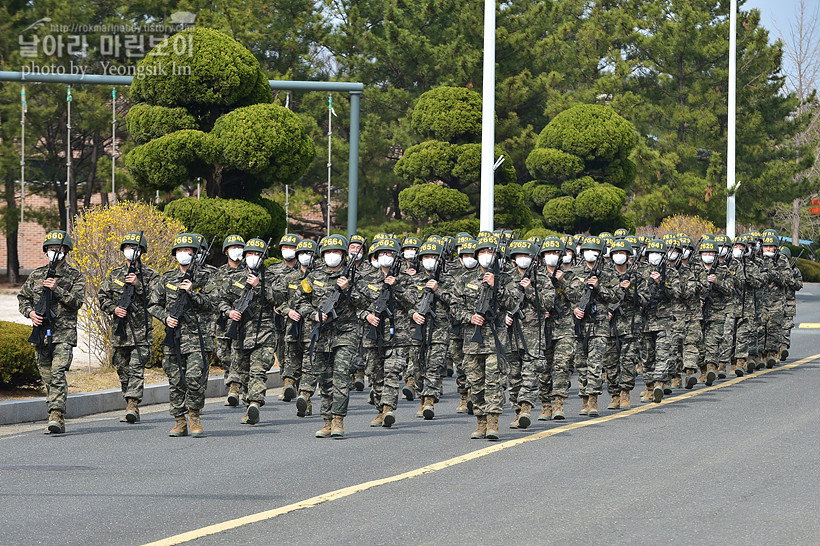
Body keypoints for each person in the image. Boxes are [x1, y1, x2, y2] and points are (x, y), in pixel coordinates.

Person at [292, 235, 368, 438]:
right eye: (327, 252)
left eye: (335, 252)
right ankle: (326, 421)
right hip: (321, 334)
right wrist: (313, 314)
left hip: (346, 333)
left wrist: (347, 289)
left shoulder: (354, 277)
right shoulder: (312, 276)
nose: (331, 255)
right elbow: (299, 300)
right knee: (325, 381)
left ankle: (338, 421)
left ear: (343, 254)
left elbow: (365, 302)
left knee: (341, 377)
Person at [447, 235, 522, 441]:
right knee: (476, 384)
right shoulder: (464, 280)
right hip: (472, 341)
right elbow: (453, 308)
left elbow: (514, 304)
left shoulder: (505, 279)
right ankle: (480, 421)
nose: (486, 256)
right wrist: (469, 317)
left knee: (494, 383)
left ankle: (493, 422)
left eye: (490, 252)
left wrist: (497, 286)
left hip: (496, 341)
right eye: (482, 252)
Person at [18, 230, 85, 434]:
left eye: (60, 249)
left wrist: (58, 289)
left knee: (57, 373)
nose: (55, 252)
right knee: (46, 375)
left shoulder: (75, 276)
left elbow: (77, 302)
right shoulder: (36, 275)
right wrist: (30, 313)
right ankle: (55, 408)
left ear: (66, 251)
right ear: (46, 251)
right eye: (52, 249)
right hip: (41, 333)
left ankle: (56, 415)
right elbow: (23, 298)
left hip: (63, 334)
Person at [149, 233, 215, 437]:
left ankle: (194, 416)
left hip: (197, 339)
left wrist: (192, 292)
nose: (183, 254)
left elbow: (213, 304)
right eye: (179, 251)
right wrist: (165, 318)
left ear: (195, 254)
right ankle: (179, 421)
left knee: (194, 378)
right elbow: (152, 304)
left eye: (187, 251)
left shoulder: (206, 277)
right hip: (174, 340)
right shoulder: (167, 278)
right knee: (176, 382)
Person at [98, 231, 158, 424]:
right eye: (128, 247)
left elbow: (157, 299)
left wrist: (139, 285)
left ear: (142, 251)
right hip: (120, 332)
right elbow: (102, 296)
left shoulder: (151, 276)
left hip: (141, 333)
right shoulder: (115, 274)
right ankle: (128, 399)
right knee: (122, 369)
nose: (131, 251)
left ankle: (133, 404)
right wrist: (114, 309)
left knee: (135, 368)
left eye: (135, 248)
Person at [219, 238, 277, 425]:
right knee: (243, 374)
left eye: (257, 254)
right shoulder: (235, 278)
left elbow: (279, 298)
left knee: (258, 372)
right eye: (250, 254)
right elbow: (220, 300)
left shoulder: (271, 278)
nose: (253, 257)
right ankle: (247, 403)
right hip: (241, 335)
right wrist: (230, 312)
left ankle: (255, 403)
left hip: (264, 334)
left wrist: (259, 286)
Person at [213, 234, 246, 407]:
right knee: (224, 355)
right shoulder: (218, 273)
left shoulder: (249, 273)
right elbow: (214, 297)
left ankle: (234, 387)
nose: (236, 251)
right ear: (226, 251)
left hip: (241, 322)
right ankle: (231, 382)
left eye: (240, 248)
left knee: (237, 355)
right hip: (222, 323)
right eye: (233, 248)